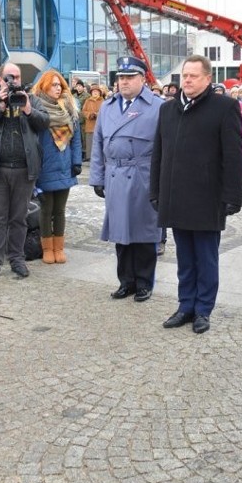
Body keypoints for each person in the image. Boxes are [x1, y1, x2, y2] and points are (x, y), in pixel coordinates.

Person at [150, 54, 242, 334]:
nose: (187, 80)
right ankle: (185, 305)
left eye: (193, 76)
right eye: (184, 76)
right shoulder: (167, 110)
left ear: (207, 79)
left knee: (206, 258)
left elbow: (234, 157)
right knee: (185, 259)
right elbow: (158, 154)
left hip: (207, 198)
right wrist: (155, 191)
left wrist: (232, 196)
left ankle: (203, 309)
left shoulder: (225, 108)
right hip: (176, 197)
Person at [90, 56, 162, 301]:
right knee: (121, 233)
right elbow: (98, 144)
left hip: (143, 175)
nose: (124, 82)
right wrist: (97, 178)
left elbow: (166, 147)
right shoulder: (108, 106)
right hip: (115, 175)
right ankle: (126, 281)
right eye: (120, 77)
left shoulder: (157, 106)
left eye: (130, 77)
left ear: (143, 79)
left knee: (143, 232)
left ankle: (144, 282)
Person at [0, 62, 50, 282]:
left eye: (16, 77)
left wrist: (27, 108)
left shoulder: (31, 99)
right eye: (9, 77)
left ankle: (17, 258)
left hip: (24, 170)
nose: (13, 81)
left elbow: (45, 122)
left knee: (18, 219)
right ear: (0, 80)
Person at [32, 69, 83, 265]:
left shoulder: (68, 108)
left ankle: (59, 247)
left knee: (60, 210)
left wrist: (76, 162)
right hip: (44, 167)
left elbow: (76, 139)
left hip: (64, 166)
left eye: (59, 84)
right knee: (46, 209)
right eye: (53, 84)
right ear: (44, 86)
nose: (58, 88)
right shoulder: (37, 109)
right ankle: (47, 248)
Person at [81, 85, 104, 162]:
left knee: (99, 142)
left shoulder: (103, 101)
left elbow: (105, 112)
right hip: (89, 125)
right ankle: (90, 158)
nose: (95, 93)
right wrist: (90, 115)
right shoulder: (87, 101)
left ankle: (99, 157)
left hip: (99, 126)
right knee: (90, 142)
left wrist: (97, 114)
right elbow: (83, 111)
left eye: (97, 92)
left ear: (99, 93)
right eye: (93, 92)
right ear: (91, 93)